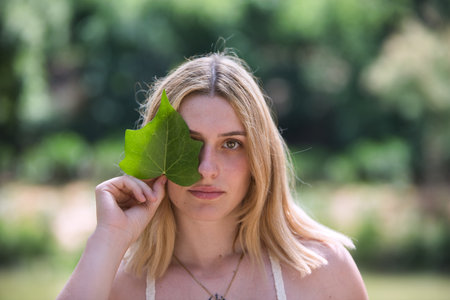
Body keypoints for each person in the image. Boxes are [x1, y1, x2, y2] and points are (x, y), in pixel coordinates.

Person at [57, 52, 368, 300]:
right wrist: (108, 238)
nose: (206, 168)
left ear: (259, 159)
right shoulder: (115, 285)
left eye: (231, 144)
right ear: (158, 154)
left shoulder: (325, 273)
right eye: (190, 142)